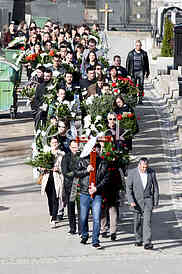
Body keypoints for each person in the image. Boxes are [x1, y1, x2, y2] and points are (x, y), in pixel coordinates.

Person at [74, 142, 109, 249]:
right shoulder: (83, 160)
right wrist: (86, 170)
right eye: (93, 149)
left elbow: (106, 178)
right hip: (84, 193)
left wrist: (96, 188)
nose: (95, 151)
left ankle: (95, 240)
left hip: (97, 194)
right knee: (83, 217)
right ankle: (84, 235)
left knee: (96, 218)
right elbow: (76, 173)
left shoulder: (103, 163)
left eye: (97, 149)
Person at [126, 157, 159, 250]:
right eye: (143, 167)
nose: (145, 169)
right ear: (139, 165)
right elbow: (128, 188)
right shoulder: (132, 173)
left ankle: (147, 242)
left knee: (147, 222)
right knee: (137, 222)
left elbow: (155, 188)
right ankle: (138, 239)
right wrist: (131, 200)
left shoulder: (151, 172)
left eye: (146, 167)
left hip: (148, 200)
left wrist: (155, 201)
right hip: (136, 201)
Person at [41, 137, 65, 228]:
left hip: (57, 178)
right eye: (53, 142)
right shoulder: (46, 153)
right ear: (50, 143)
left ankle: (54, 218)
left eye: (56, 142)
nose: (54, 144)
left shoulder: (61, 154)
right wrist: (42, 168)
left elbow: (64, 167)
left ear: (58, 143)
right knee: (50, 198)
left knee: (56, 198)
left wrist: (58, 169)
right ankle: (51, 214)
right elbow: (40, 165)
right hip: (47, 178)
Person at [61, 140, 80, 235]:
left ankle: (82, 228)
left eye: (76, 147)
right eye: (73, 147)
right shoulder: (66, 157)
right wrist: (77, 174)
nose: (75, 149)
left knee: (81, 208)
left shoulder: (82, 156)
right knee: (71, 207)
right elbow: (65, 172)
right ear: (69, 147)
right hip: (70, 186)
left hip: (81, 185)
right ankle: (72, 228)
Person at [126, 40, 150, 105]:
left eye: (139, 45)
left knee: (141, 86)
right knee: (133, 86)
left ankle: (140, 99)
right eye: (137, 45)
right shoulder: (131, 53)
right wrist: (127, 73)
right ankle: (134, 99)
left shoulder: (144, 53)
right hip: (133, 72)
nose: (138, 46)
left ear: (141, 46)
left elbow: (147, 63)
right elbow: (128, 63)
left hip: (141, 71)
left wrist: (147, 72)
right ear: (135, 46)